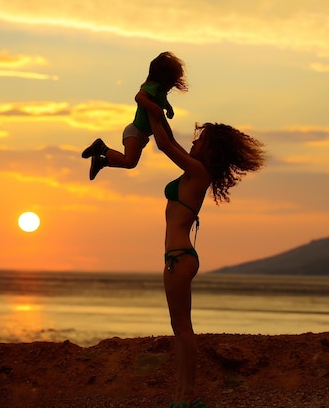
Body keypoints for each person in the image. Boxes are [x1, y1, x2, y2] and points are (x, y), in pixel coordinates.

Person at [148, 112, 266, 408]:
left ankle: (185, 397)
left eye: (200, 140)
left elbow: (163, 145)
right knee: (181, 328)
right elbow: (170, 140)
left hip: (178, 258)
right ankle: (183, 396)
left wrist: (148, 107)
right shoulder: (194, 172)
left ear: (210, 150)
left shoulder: (199, 172)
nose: (194, 142)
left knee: (183, 329)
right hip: (179, 257)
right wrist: (159, 111)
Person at [81, 51, 188, 180]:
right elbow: (139, 97)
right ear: (164, 77)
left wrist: (168, 107)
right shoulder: (152, 87)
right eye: (172, 80)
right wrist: (153, 107)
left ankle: (102, 162)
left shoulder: (160, 91)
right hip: (135, 131)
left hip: (142, 134)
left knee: (132, 162)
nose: (173, 85)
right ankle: (101, 148)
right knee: (129, 162)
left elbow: (162, 101)